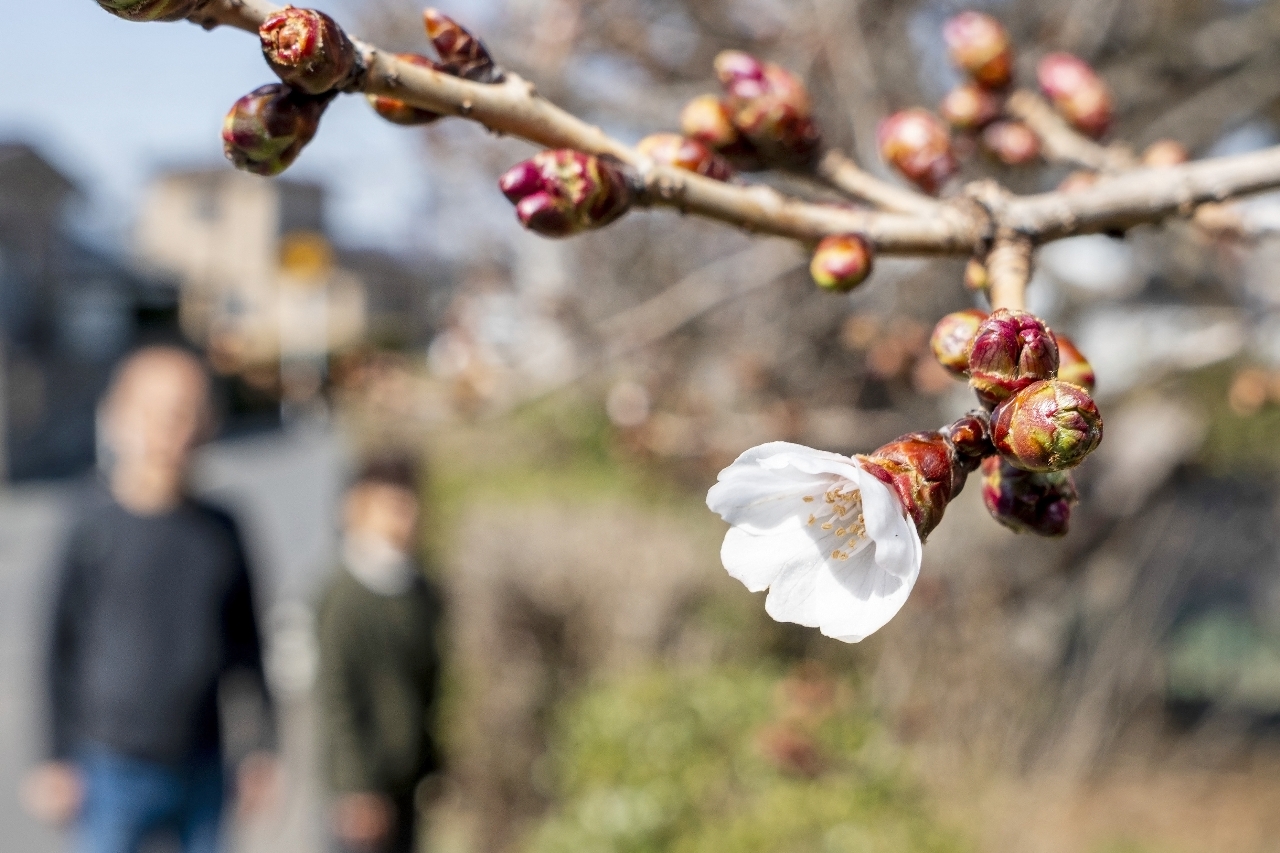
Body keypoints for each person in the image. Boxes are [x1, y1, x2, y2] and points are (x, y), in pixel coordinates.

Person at [21, 346, 276, 853]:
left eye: (183, 413)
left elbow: (249, 646)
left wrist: (260, 749)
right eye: (152, 412)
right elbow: (57, 646)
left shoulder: (221, 529)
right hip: (109, 764)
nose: (167, 429)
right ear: (117, 418)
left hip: (204, 761)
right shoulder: (89, 523)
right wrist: (53, 758)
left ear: (207, 424)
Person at [317, 456, 443, 853]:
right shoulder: (345, 597)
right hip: (360, 789)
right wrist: (356, 786)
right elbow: (336, 695)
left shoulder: (418, 590)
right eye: (394, 505)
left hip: (405, 778)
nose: (406, 517)